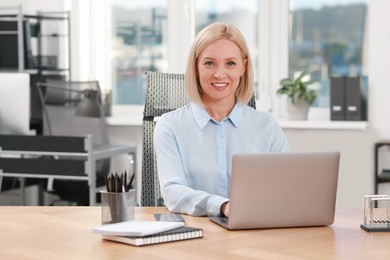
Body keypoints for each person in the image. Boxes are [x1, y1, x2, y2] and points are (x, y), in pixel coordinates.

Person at [154, 22, 289, 217]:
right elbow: (173, 192)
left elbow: (286, 187)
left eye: (230, 63)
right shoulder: (169, 126)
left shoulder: (267, 127)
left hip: (255, 235)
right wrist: (223, 206)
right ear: (196, 67)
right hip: (194, 236)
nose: (219, 74)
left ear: (243, 67)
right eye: (209, 63)